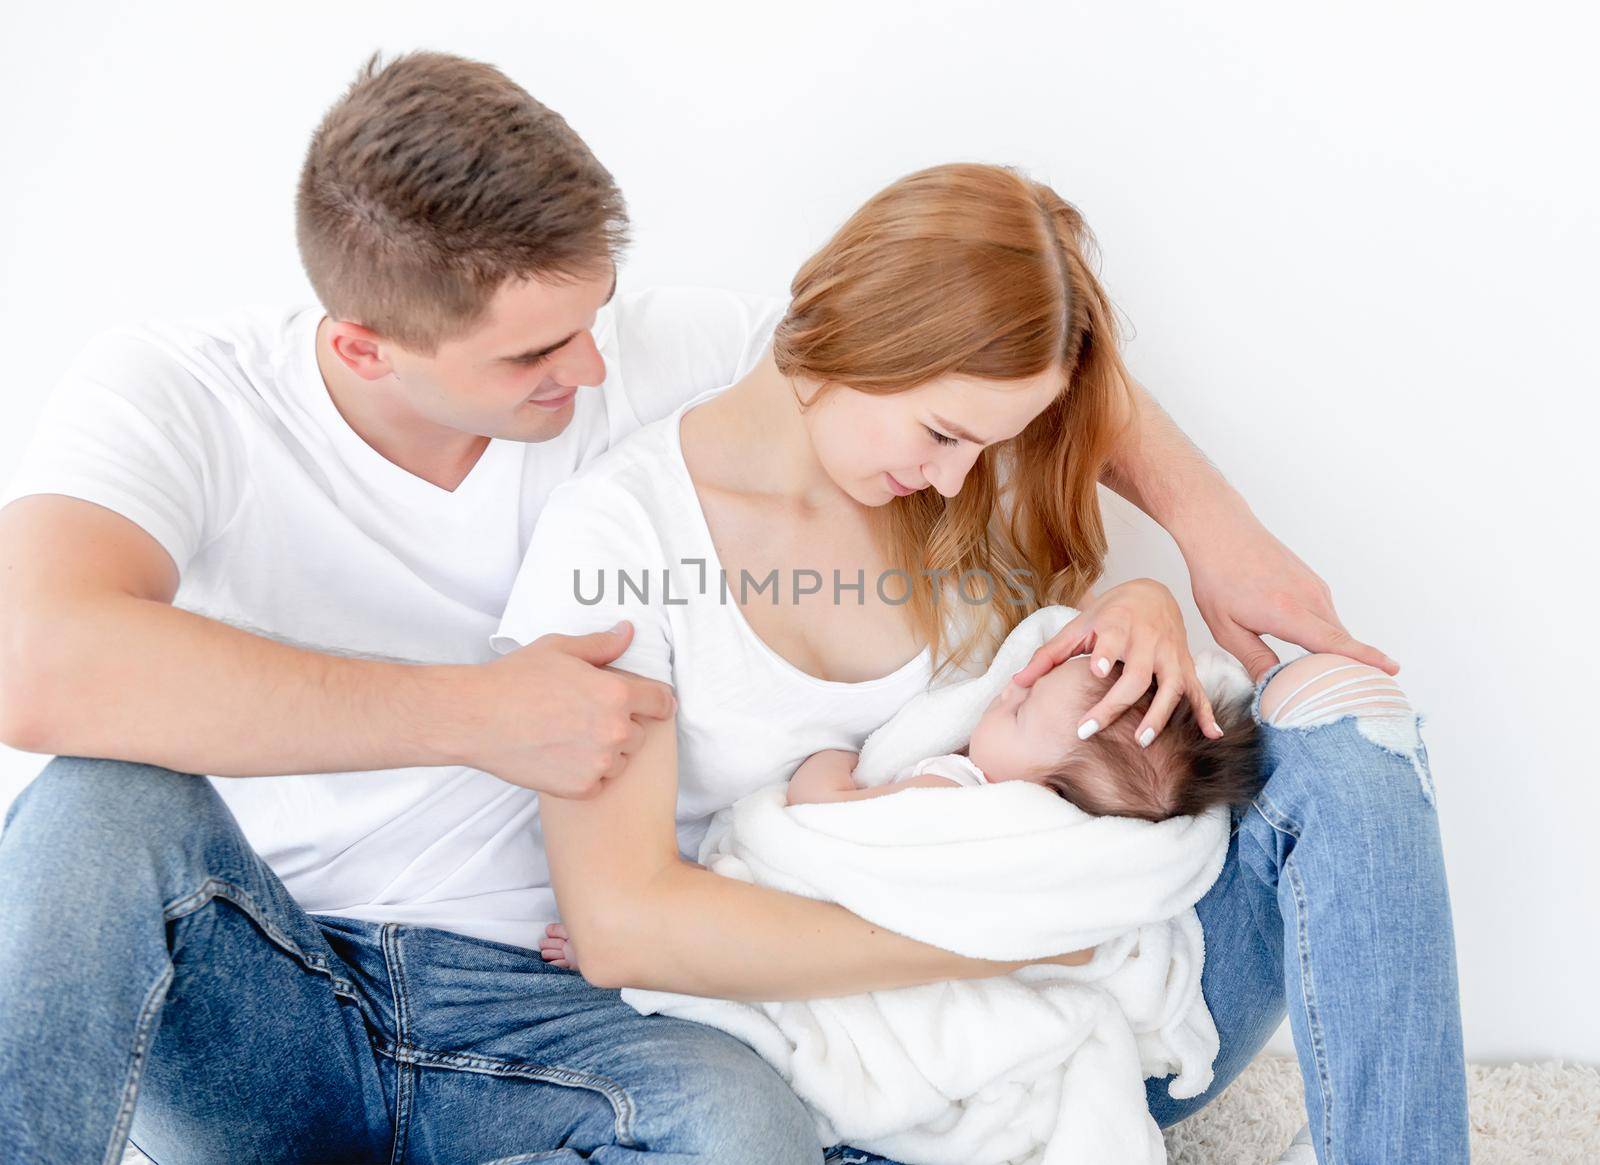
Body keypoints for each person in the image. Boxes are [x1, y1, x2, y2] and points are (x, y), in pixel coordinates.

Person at [0, 50, 1446, 1165]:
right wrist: (484, 716)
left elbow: (992, 345)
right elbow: (36, 661)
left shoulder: (698, 369)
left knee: (742, 1119)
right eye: (536, 356)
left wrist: (1194, 545)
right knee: (91, 808)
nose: (591, 368)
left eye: (597, 315)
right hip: (289, 979)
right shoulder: (182, 400)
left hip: (553, 1007)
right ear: (367, 348)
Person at [491, 161, 1469, 1164]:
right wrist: (1028, 932)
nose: (958, 476)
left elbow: (1053, 716)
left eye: (983, 445)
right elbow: (621, 930)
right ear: (861, 335)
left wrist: (1142, 601)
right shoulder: (620, 541)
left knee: (1343, 727)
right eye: (944, 432)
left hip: (1091, 1039)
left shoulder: (937, 494)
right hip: (853, 1073)